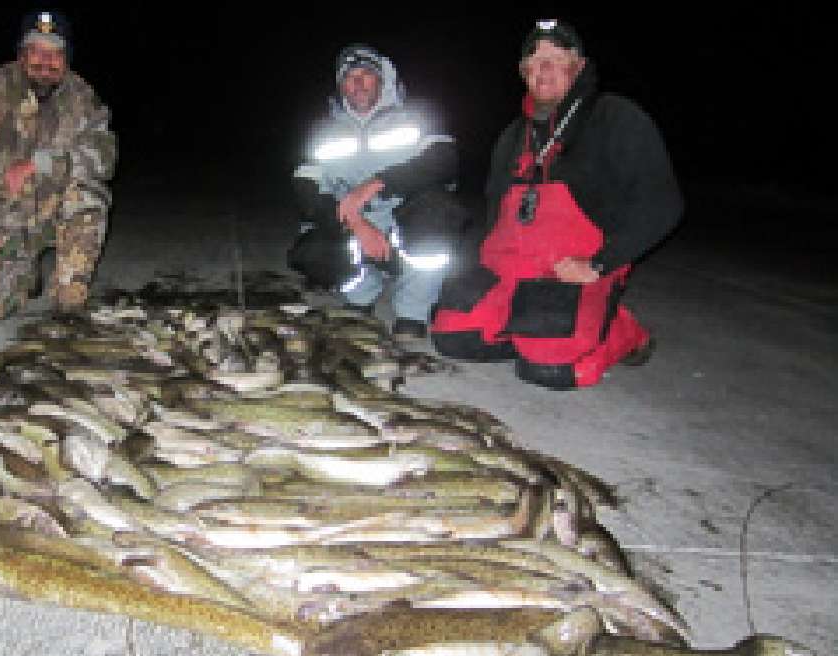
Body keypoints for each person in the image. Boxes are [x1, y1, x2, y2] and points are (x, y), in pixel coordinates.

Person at [429, 20, 683, 389]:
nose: (543, 66)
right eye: (534, 59)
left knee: (548, 369)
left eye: (556, 56)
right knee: (452, 337)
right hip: (511, 272)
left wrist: (600, 264)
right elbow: (492, 215)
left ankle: (620, 330)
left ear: (577, 66)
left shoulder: (615, 117)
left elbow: (663, 204)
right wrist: (472, 270)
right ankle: (535, 331)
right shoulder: (512, 136)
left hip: (571, 273)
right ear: (523, 72)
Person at [0, 10, 117, 317]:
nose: (45, 60)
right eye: (36, 49)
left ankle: (69, 282)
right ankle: (23, 273)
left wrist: (39, 164)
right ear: (21, 54)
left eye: (55, 52)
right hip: (6, 223)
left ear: (66, 58)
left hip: (61, 215)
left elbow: (104, 157)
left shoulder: (84, 100)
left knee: (88, 193)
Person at [288, 44, 468, 342]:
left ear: (383, 79)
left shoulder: (418, 116)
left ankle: (413, 311)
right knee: (312, 250)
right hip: (353, 225)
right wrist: (357, 224)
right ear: (341, 86)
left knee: (440, 210)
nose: (357, 83)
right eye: (349, 77)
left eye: (366, 75)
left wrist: (374, 184)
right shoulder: (322, 129)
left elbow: (444, 161)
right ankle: (360, 295)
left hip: (404, 225)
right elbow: (305, 187)